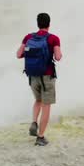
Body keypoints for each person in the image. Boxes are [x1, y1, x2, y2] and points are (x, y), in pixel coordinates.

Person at [17, 12, 62, 146]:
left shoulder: (28, 37)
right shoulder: (53, 39)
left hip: (32, 76)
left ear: (38, 24)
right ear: (49, 24)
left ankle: (34, 122)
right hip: (47, 76)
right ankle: (40, 137)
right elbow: (58, 56)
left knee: (38, 100)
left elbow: (19, 54)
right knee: (46, 106)